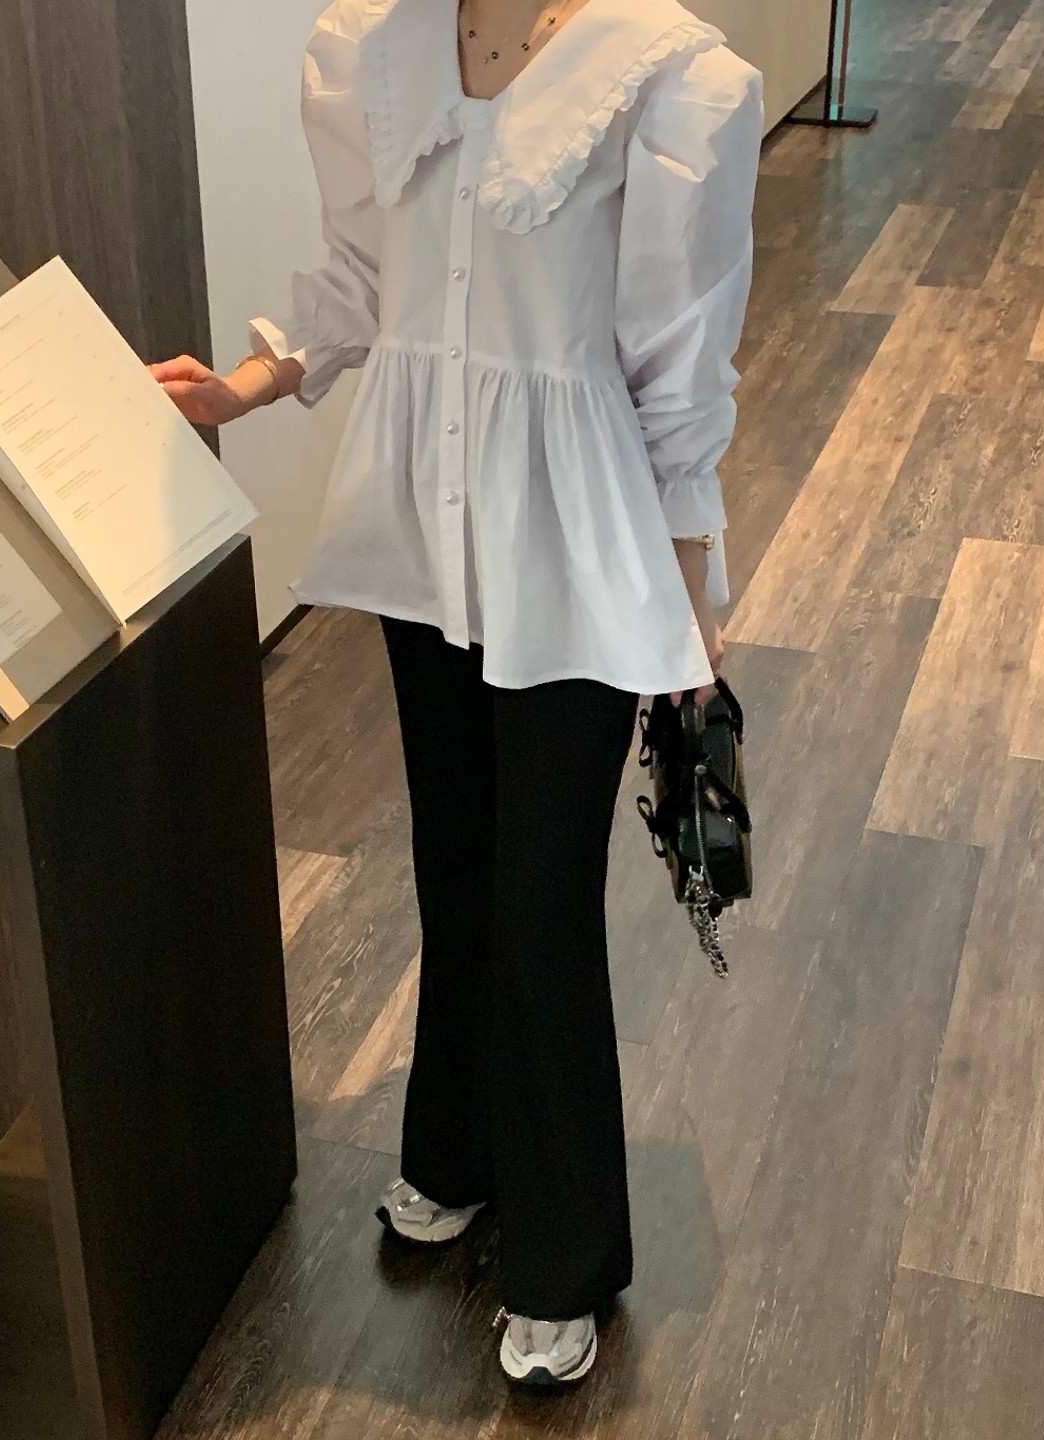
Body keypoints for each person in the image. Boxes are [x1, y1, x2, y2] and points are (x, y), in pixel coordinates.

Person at [151, 0, 762, 1390]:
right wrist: (247, 386)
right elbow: (362, 277)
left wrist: (687, 590)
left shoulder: (668, 76)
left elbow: (677, 360)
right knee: (456, 854)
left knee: (541, 895)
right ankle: (458, 1150)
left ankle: (566, 1254)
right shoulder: (377, 44)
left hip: (575, 543)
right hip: (423, 532)